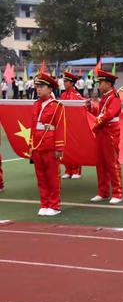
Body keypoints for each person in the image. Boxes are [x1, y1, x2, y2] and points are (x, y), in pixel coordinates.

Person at [29, 72, 65, 216]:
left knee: (52, 177)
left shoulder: (57, 106)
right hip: (38, 145)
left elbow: (61, 127)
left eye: (42, 86)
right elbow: (32, 126)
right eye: (37, 86)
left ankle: (54, 205)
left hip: (50, 145)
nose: (38, 89)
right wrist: (31, 145)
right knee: (41, 177)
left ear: (50, 89)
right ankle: (44, 203)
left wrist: (59, 147)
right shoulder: (36, 104)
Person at [86, 69, 123, 204]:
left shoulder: (114, 97)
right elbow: (100, 112)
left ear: (108, 84)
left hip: (110, 133)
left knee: (112, 163)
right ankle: (103, 191)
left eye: (101, 83)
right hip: (102, 132)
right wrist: (90, 108)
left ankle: (117, 193)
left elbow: (109, 115)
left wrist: (95, 123)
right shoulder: (106, 97)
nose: (99, 86)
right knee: (100, 163)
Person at [60, 72, 84, 179]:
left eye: (66, 81)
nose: (64, 83)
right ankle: (68, 170)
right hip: (65, 125)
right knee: (66, 148)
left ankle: (76, 171)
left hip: (74, 126)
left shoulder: (77, 95)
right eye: (64, 81)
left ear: (71, 83)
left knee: (75, 148)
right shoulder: (63, 95)